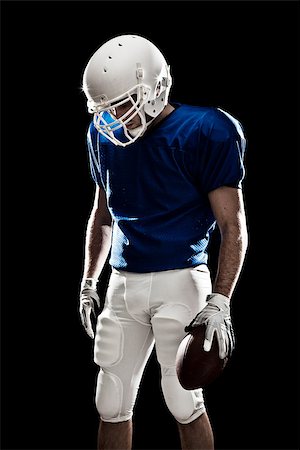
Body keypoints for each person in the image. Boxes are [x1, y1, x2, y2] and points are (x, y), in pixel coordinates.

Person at [79, 34, 248, 450]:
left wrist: (221, 300)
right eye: (106, 108)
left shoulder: (205, 129)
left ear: (154, 87)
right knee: (110, 399)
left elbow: (234, 225)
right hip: (122, 283)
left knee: (183, 400)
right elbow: (103, 214)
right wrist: (88, 281)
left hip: (181, 277)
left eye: (122, 104)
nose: (115, 118)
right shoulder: (102, 135)